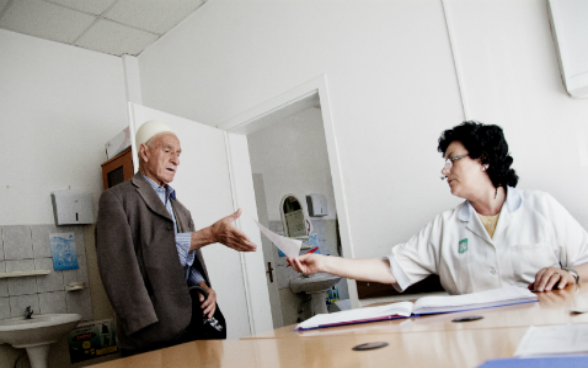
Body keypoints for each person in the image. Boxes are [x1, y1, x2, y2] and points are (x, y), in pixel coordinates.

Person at [287, 121, 588, 295]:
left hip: (543, 331)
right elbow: (392, 268)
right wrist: (325, 263)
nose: (444, 171)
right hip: (477, 337)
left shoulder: (542, 207)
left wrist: (571, 274)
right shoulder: (445, 226)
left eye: (452, 159)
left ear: (483, 159)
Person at [96, 120, 256, 356]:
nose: (176, 159)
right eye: (168, 150)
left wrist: (205, 288)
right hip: (149, 336)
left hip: (190, 327)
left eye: (178, 153)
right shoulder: (116, 199)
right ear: (145, 151)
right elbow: (117, 270)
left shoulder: (181, 210)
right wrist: (209, 235)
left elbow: (188, 265)